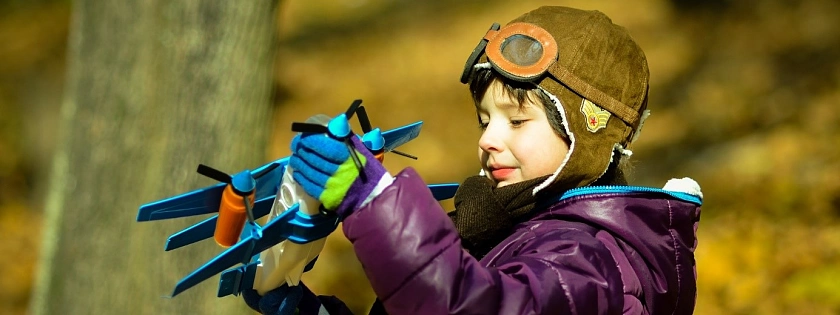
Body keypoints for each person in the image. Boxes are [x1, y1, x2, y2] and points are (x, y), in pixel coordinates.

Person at [243, 5, 702, 315]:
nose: (489, 140)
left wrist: (371, 199)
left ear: (589, 136)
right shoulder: (505, 227)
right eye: (485, 121)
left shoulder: (587, 261)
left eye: (517, 122)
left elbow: (466, 304)